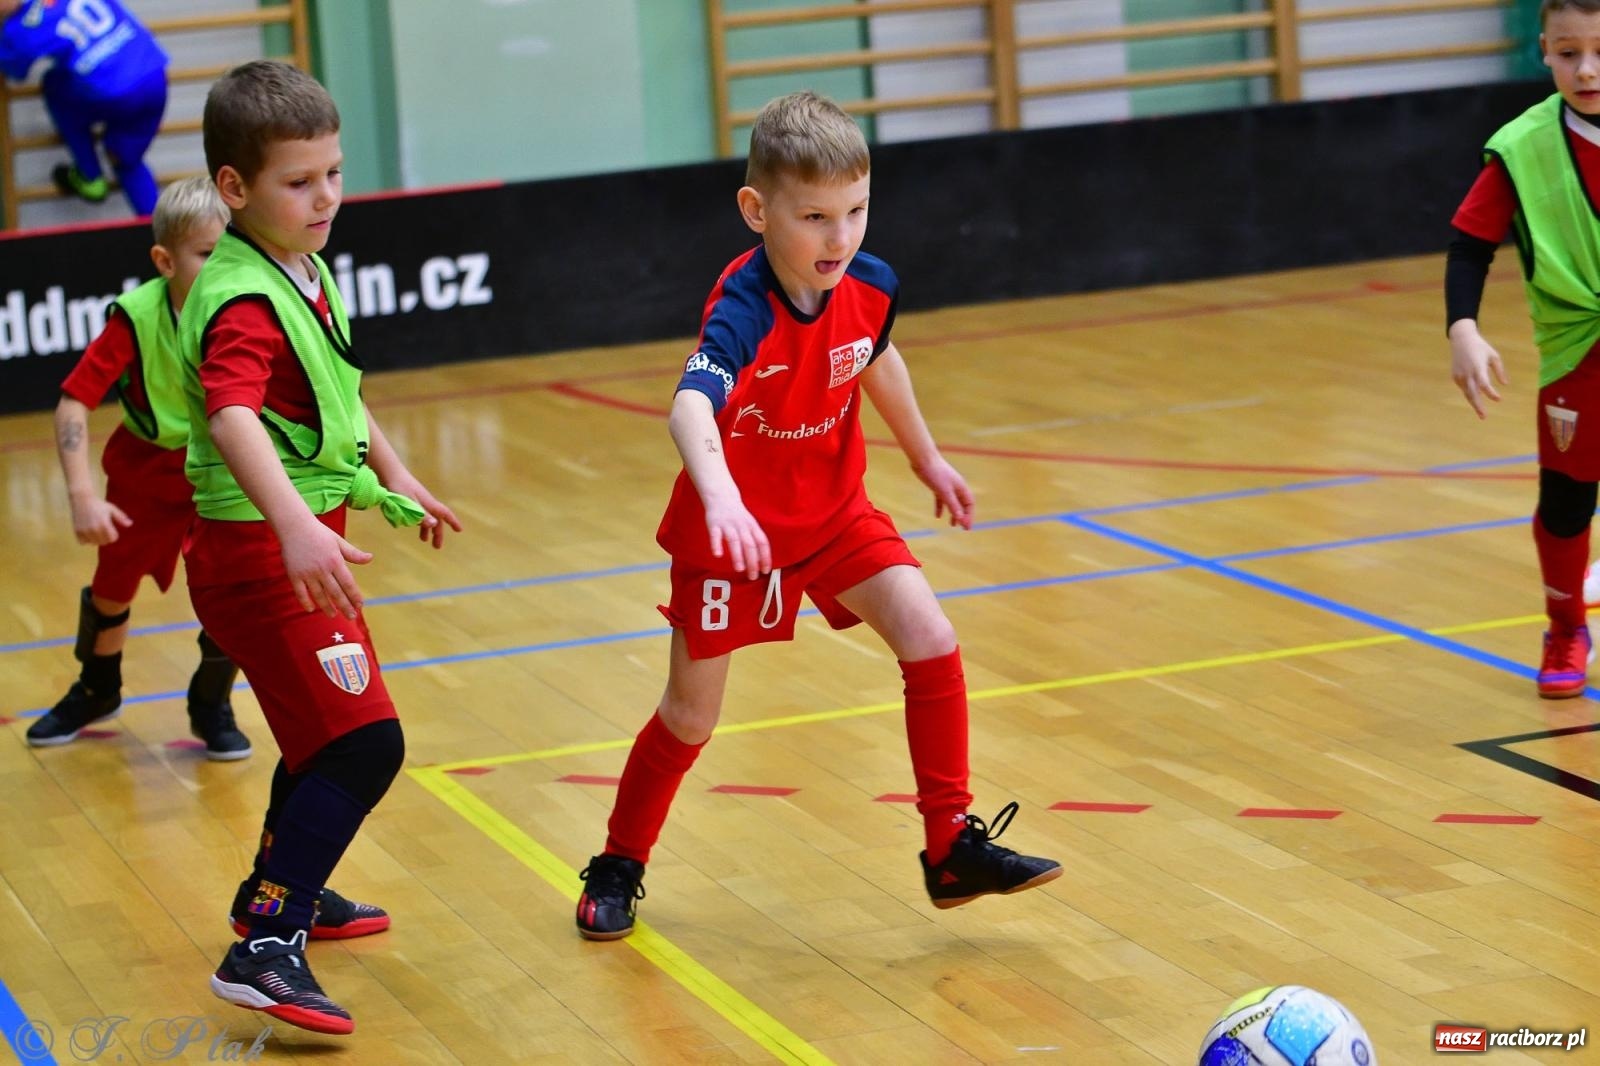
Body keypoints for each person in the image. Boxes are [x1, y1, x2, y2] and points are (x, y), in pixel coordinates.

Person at [575, 91, 1062, 942]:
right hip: (738, 536)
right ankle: (619, 861)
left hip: (834, 514)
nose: (840, 238)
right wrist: (720, 495)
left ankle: (949, 846)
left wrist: (926, 457)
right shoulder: (745, 308)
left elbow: (876, 360)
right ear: (757, 212)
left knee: (932, 637)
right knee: (691, 716)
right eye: (814, 218)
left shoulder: (870, 286)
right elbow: (691, 407)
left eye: (856, 212)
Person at [180, 60, 460, 1035]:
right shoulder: (242, 296)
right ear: (234, 189)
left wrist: (397, 477)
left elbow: (339, 396)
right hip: (264, 557)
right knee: (365, 742)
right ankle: (264, 939)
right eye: (300, 182)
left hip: (293, 545)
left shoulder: (301, 267)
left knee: (319, 735)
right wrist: (298, 525)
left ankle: (280, 887)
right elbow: (231, 415)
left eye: (333, 172)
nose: (325, 196)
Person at [29, 175, 249, 760]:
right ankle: (98, 689)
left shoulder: (248, 309)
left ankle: (212, 704)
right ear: (164, 260)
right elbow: (74, 400)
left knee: (234, 591)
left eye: (232, 252)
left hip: (223, 473)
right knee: (111, 590)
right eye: (207, 254)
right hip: (145, 475)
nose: (223, 266)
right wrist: (81, 495)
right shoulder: (135, 317)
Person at [1448, 0, 1600, 699]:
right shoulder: (1523, 145)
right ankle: (1566, 625)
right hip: (1580, 346)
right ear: (1543, 50)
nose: (1587, 69)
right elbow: (1470, 246)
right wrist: (1464, 329)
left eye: (1599, 51)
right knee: (1568, 500)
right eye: (1568, 52)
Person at [0, 0, 168, 215]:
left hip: (115, 92)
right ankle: (159, 236)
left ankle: (90, 175)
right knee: (125, 159)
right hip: (154, 75)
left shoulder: (20, 29)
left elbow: (15, 70)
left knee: (55, 85)